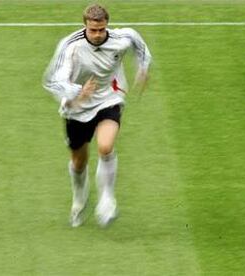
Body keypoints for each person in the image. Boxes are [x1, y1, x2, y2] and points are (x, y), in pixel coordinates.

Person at [43, 4, 152, 227]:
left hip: (108, 98)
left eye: (101, 29)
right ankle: (79, 199)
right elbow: (53, 80)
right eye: (93, 30)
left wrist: (143, 67)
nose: (98, 34)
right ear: (85, 26)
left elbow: (137, 43)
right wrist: (77, 91)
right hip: (77, 106)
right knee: (79, 162)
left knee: (105, 147)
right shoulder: (70, 46)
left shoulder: (120, 38)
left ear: (106, 26)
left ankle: (107, 200)